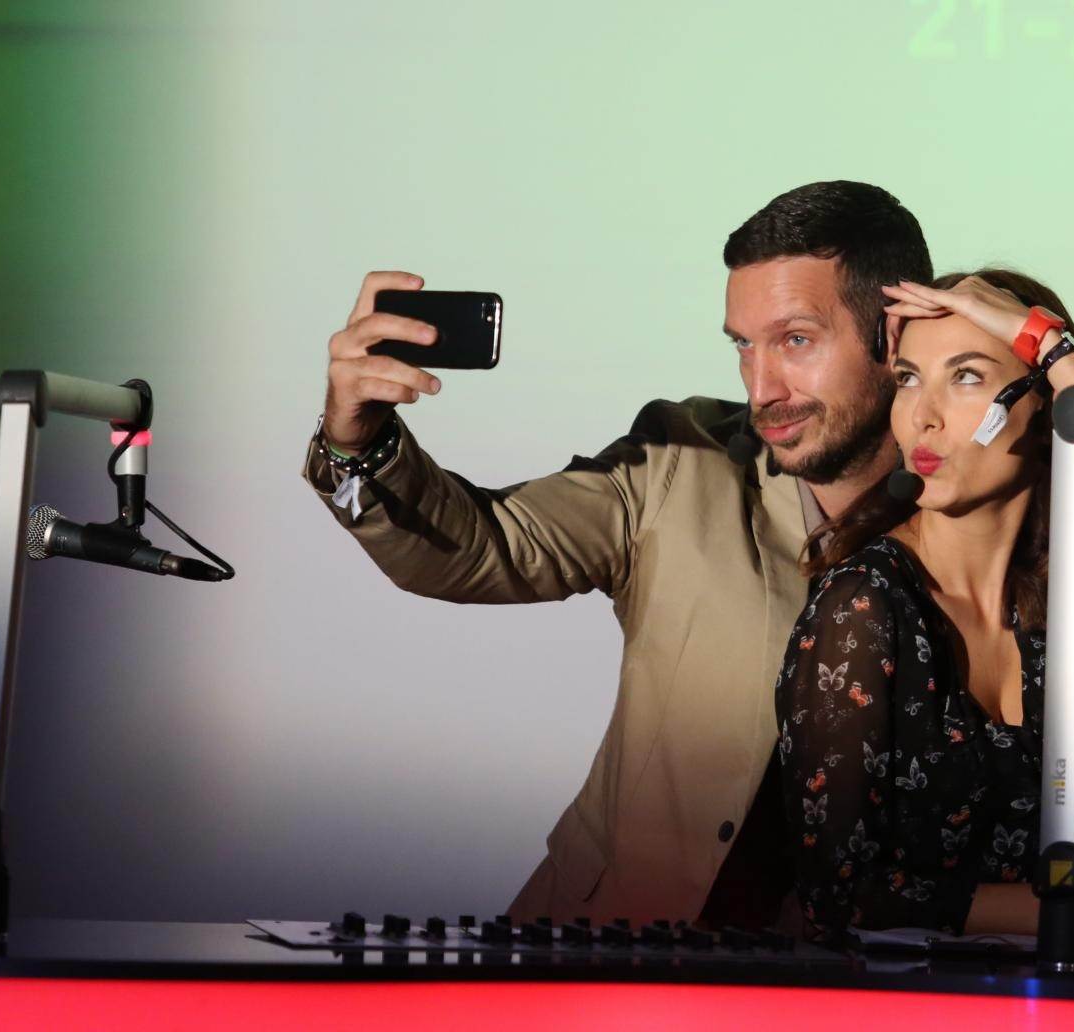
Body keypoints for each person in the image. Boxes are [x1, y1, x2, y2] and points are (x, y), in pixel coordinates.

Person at [303, 181, 929, 928]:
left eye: (795, 340)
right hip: (612, 943)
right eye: (742, 344)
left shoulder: (983, 509)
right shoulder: (678, 459)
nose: (762, 388)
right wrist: (357, 443)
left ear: (895, 335)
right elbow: (478, 546)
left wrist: (1039, 350)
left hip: (849, 971)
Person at [775, 269, 1074, 950]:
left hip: (1050, 993)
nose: (923, 416)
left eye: (965, 377)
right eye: (908, 379)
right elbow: (837, 895)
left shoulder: (1066, 580)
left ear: (1047, 407)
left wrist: (1047, 343)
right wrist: (1067, 910)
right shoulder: (863, 606)